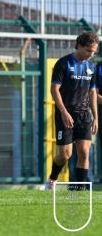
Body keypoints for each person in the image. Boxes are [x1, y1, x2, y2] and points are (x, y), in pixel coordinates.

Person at [45, 31, 99, 190]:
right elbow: (54, 89)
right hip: (66, 114)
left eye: (93, 52)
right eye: (89, 50)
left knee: (84, 152)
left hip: (84, 115)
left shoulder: (91, 67)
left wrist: (95, 117)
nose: (91, 54)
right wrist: (63, 112)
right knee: (65, 155)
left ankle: (81, 189)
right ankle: (53, 179)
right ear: (80, 46)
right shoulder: (64, 63)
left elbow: (92, 92)